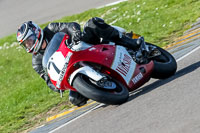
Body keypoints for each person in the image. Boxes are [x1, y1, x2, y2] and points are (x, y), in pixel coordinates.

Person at [16, 17, 141, 106]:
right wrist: (56, 86)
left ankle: (130, 43)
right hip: (72, 69)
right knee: (75, 99)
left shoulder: (51, 28)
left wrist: (75, 33)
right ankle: (103, 87)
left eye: (30, 40)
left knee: (93, 23)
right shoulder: (36, 62)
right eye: (26, 44)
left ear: (36, 32)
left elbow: (70, 26)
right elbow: (48, 80)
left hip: (82, 47)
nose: (29, 45)